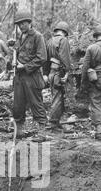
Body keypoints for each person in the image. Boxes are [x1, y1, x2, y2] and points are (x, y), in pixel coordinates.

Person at [12, 10, 48, 142]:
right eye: (19, 24)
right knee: (18, 105)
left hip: (32, 76)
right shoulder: (20, 37)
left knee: (36, 103)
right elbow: (18, 51)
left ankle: (42, 132)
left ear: (29, 22)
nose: (21, 26)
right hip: (20, 76)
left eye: (23, 23)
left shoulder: (38, 36)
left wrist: (26, 66)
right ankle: (19, 130)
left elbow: (42, 57)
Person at [45, 21, 72, 131]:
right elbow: (65, 58)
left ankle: (56, 122)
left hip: (51, 72)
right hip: (58, 72)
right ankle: (52, 123)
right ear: (65, 32)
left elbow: (45, 60)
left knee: (55, 96)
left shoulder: (49, 41)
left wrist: (45, 74)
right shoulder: (63, 40)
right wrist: (67, 72)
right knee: (58, 98)